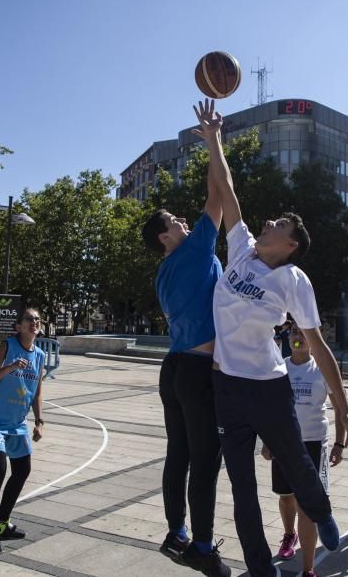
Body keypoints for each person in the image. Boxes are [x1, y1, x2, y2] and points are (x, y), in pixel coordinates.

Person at [193, 98, 348, 577]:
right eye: (271, 221)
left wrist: (343, 404)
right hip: (226, 387)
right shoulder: (242, 249)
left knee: (296, 464)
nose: (269, 222)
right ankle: (260, 569)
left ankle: (324, 515)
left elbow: (320, 344)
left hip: (268, 387)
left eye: (279, 225)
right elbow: (226, 189)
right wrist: (214, 139)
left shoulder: (291, 281)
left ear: (288, 245)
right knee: (243, 491)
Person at [141, 116, 228, 576]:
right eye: (174, 221)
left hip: (173, 369)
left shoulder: (162, 272)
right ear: (165, 237)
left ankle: (175, 531)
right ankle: (203, 546)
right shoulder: (192, 251)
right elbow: (219, 197)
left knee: (178, 455)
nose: (182, 221)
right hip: (195, 371)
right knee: (205, 462)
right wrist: (215, 142)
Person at [261, 321, 347, 577]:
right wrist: (267, 442)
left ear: (313, 339)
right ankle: (289, 535)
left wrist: (340, 444)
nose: (298, 337)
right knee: (286, 496)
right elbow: (271, 409)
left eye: (303, 333)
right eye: (294, 333)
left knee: (306, 504)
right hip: (284, 442)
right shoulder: (280, 368)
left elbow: (340, 408)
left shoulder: (321, 368)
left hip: (312, 443)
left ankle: (308, 568)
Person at [0, 307, 47, 556]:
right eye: (29, 319)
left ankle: (2, 522)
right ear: (18, 326)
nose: (34, 322)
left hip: (17, 423)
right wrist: (11, 366)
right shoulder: (6, 347)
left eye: (37, 319)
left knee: (22, 471)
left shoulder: (39, 354)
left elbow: (37, 390)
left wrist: (39, 420)